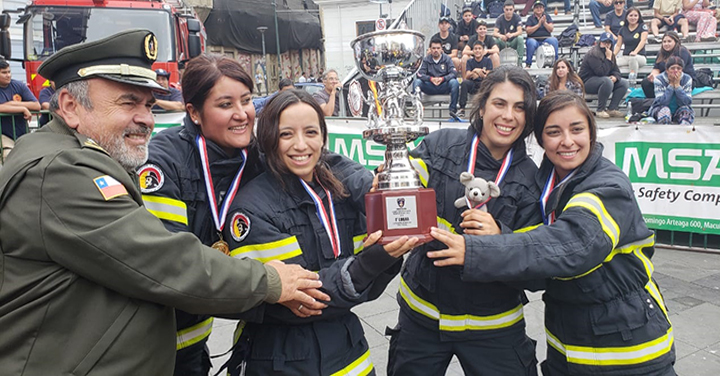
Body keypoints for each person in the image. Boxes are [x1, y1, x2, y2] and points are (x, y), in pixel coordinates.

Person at [0, 29, 324, 375]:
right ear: (69, 106)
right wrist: (270, 282)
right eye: (128, 102)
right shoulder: (61, 172)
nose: (146, 118)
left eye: (149, 105)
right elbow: (163, 260)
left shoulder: (75, 155)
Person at [426, 90, 676, 376]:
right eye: (554, 132)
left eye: (577, 129)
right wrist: (502, 235)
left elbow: (573, 245)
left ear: (592, 133)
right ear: (541, 140)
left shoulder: (608, 185)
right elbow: (539, 268)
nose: (567, 141)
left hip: (629, 352)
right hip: (569, 347)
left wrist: (476, 251)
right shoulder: (547, 182)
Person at [222, 89, 417, 375]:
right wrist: (366, 265)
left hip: (349, 351)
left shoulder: (340, 192)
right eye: (286, 134)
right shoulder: (251, 207)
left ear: (323, 138)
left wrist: (384, 258)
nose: (301, 145)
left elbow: (368, 289)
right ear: (267, 138)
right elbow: (295, 303)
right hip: (278, 359)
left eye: (311, 132)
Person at [389, 65, 542, 376]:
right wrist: (391, 181)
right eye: (499, 104)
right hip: (422, 317)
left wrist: (502, 236)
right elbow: (402, 191)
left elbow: (537, 271)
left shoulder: (532, 180)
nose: (508, 116)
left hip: (494, 326)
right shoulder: (439, 145)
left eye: (519, 108)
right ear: (482, 105)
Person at [141, 54, 266, 376]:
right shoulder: (162, 162)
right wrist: (271, 285)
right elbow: (169, 262)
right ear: (194, 113)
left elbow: (322, 162)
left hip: (195, 344)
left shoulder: (255, 155)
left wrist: (371, 181)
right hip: (148, 349)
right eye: (225, 105)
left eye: (247, 101)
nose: (242, 115)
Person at [579, 32, 629, 118]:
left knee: (623, 83)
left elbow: (616, 71)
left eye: (609, 43)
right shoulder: (593, 54)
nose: (606, 45)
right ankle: (600, 109)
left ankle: (612, 108)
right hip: (586, 82)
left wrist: (615, 77)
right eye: (604, 42)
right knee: (607, 81)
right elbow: (601, 72)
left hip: (601, 80)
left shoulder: (610, 54)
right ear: (600, 43)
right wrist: (608, 59)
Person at [0, 58, 40, 160]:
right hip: (4, 134)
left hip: (22, 133)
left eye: (9, 72)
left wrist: (13, 104)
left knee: (30, 158)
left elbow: (37, 105)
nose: (8, 75)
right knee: (8, 157)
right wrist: (22, 109)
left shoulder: (18, 85)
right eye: (4, 73)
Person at [413, 38, 460, 118]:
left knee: (454, 82)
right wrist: (431, 79)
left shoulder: (447, 59)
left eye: (438, 48)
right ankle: (418, 108)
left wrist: (443, 79)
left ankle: (452, 111)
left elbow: (453, 73)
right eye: (433, 48)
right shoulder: (426, 60)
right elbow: (420, 74)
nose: (436, 50)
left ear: (441, 49)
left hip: (443, 85)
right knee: (417, 82)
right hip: (430, 85)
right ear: (430, 49)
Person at [641, 31, 695, 98]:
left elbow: (678, 70)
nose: (666, 44)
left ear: (675, 42)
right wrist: (653, 76)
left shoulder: (682, 51)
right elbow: (656, 69)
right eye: (664, 42)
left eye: (669, 41)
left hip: (682, 79)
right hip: (665, 78)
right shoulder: (661, 53)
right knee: (646, 83)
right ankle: (656, 103)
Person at [649, 56, 694, 124]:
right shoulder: (659, 79)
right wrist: (671, 86)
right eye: (672, 68)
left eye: (678, 68)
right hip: (660, 108)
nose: (675, 71)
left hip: (679, 108)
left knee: (686, 113)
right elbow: (662, 102)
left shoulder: (687, 79)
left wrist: (678, 86)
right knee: (665, 111)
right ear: (667, 70)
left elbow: (686, 102)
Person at [614, 7, 649, 85]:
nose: (633, 18)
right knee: (612, 62)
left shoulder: (642, 27)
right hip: (626, 57)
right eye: (631, 15)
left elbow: (643, 40)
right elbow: (618, 45)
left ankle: (632, 82)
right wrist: (612, 56)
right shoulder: (622, 29)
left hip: (640, 56)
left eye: (635, 15)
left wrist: (635, 52)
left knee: (633, 59)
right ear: (627, 17)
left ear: (639, 17)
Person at [459, 41, 493, 117]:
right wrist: (477, 71)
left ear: (483, 51)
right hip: (473, 84)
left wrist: (478, 74)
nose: (477, 50)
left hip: (482, 83)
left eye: (479, 49)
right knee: (464, 83)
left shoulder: (487, 61)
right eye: (475, 49)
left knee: (487, 84)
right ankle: (462, 108)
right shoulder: (470, 61)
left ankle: (484, 109)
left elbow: (489, 75)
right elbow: (467, 75)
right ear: (473, 51)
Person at [525, 1, 558, 69]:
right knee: (531, 43)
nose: (539, 9)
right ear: (533, 9)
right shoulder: (530, 18)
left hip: (546, 39)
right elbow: (528, 31)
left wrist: (544, 23)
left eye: (540, 7)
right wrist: (538, 25)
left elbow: (551, 29)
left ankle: (556, 62)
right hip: (534, 39)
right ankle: (528, 64)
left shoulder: (547, 17)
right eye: (537, 7)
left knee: (554, 40)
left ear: (543, 9)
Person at [494, 0, 525, 67]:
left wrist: (512, 35)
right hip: (503, 41)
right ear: (503, 9)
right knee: (496, 40)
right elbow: (495, 33)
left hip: (513, 41)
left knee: (520, 38)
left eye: (510, 9)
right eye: (507, 9)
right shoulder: (500, 18)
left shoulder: (517, 17)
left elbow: (520, 31)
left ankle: (519, 63)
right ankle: (497, 63)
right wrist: (501, 36)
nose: (508, 11)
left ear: (513, 9)